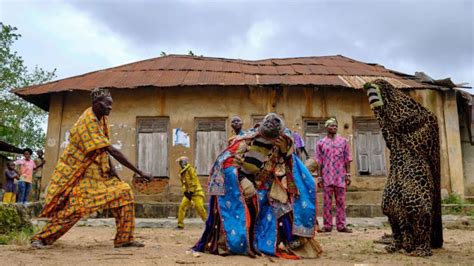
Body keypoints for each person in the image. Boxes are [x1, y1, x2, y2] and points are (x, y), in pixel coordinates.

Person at [31, 88, 152, 249]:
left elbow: (103, 147)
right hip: (78, 174)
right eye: (107, 104)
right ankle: (41, 238)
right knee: (76, 206)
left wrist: (113, 171)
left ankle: (124, 239)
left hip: (98, 173)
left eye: (111, 104)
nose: (110, 108)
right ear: (96, 103)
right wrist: (139, 172)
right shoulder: (87, 121)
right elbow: (111, 149)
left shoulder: (101, 119)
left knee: (124, 192)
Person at [193, 113, 322, 259]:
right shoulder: (245, 140)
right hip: (239, 185)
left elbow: (287, 163)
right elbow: (225, 163)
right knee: (244, 211)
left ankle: (292, 241)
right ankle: (235, 243)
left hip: (265, 185)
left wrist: (285, 152)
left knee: (282, 206)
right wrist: (242, 180)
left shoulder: (283, 141)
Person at [315, 118, 352, 233]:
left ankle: (341, 226)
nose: (334, 127)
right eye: (332, 126)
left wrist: (348, 174)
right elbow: (319, 162)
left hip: (340, 177)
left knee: (341, 202)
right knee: (327, 203)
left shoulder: (343, 142)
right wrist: (320, 177)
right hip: (326, 177)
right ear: (327, 127)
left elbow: (347, 159)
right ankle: (327, 226)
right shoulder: (321, 143)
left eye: (336, 126)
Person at [176, 156, 207, 229]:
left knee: (200, 209)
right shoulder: (181, 172)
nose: (179, 164)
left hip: (196, 193)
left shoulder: (191, 170)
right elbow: (183, 183)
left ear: (184, 162)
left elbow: (194, 182)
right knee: (182, 207)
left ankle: (208, 223)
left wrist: (191, 192)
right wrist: (185, 192)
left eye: (180, 162)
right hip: (188, 193)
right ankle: (180, 225)